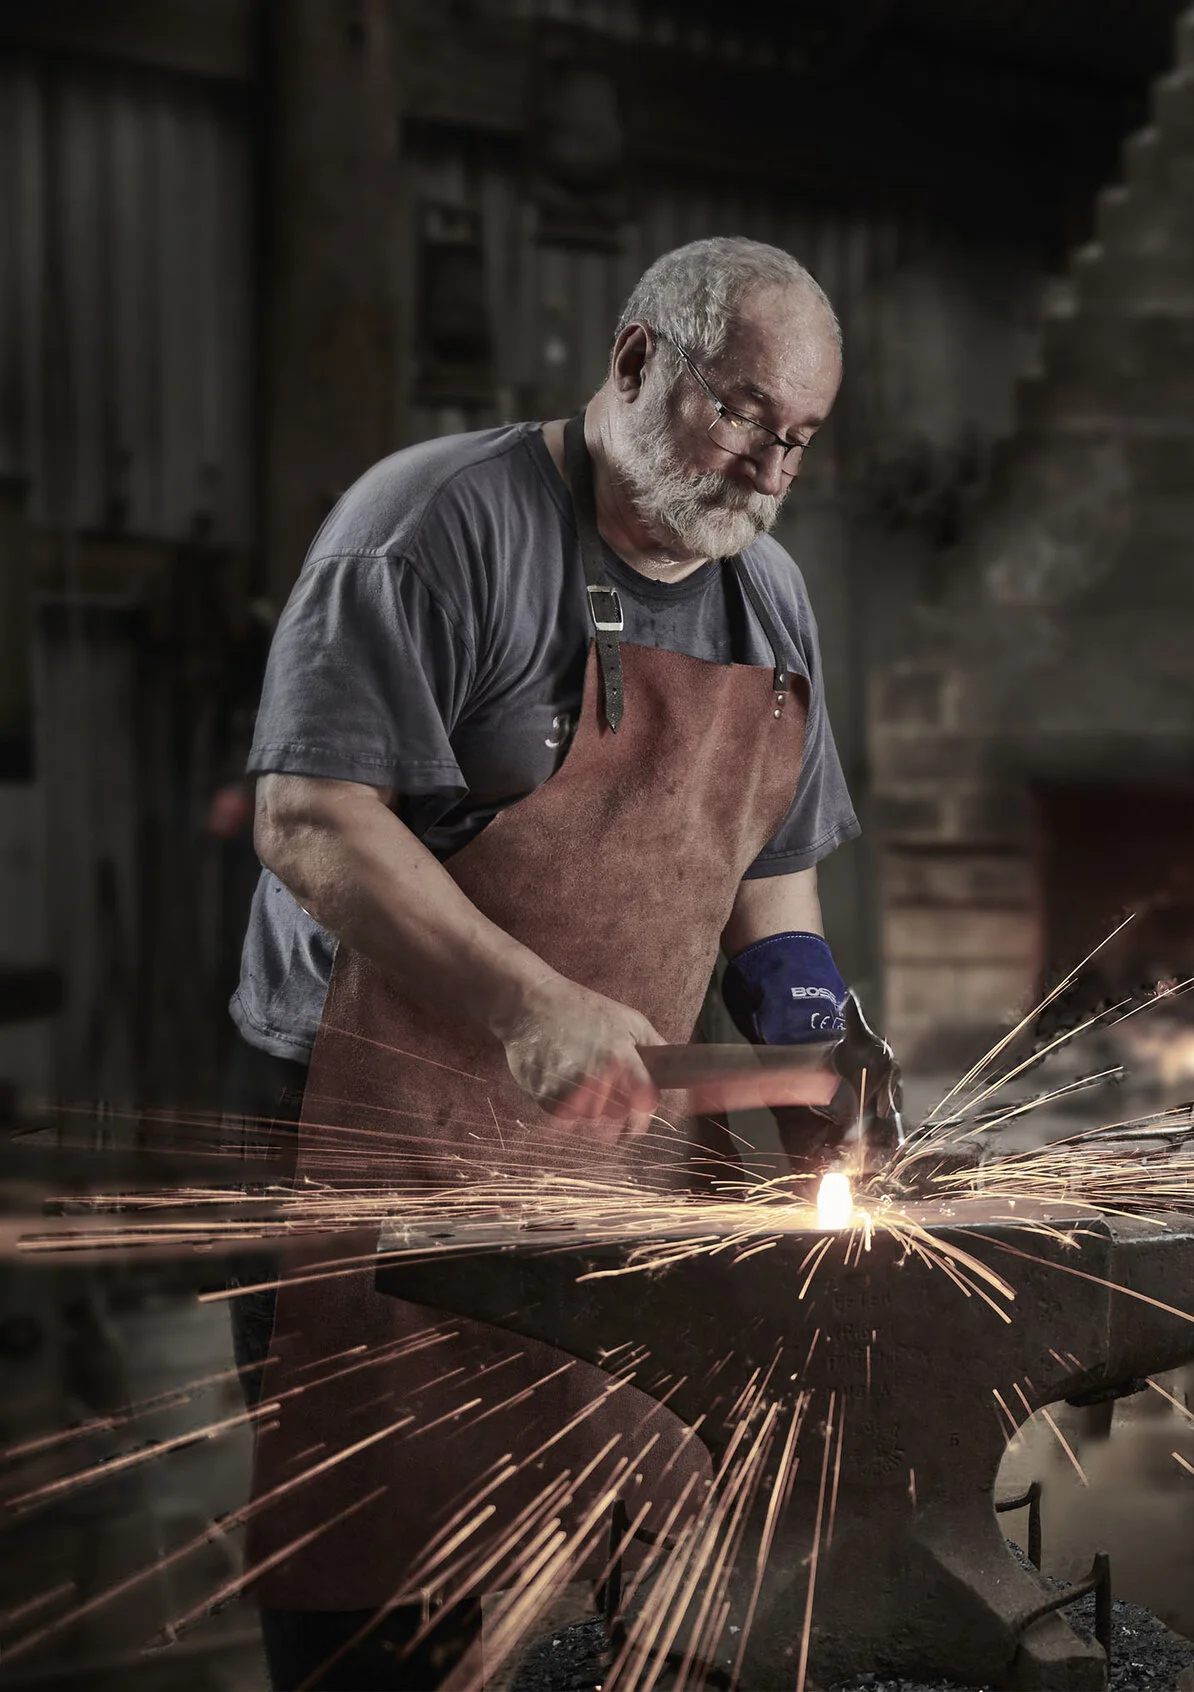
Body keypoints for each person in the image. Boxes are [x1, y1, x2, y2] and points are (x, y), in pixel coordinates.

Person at [226, 237, 896, 1689]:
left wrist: (809, 1046)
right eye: (742, 413)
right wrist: (529, 1004)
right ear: (637, 359)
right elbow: (310, 816)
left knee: (632, 1572)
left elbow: (769, 880)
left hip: (614, 1145)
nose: (766, 470)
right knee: (396, 1590)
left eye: (797, 440)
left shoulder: (769, 597)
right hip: (374, 1146)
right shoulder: (435, 528)